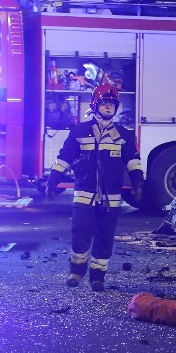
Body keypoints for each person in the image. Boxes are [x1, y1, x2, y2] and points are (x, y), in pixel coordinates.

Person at [46, 84, 145, 291]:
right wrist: (53, 180)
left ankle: (97, 276)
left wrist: (138, 182)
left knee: (105, 236)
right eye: (105, 103)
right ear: (95, 104)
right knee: (80, 231)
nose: (109, 107)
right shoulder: (80, 131)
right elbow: (65, 156)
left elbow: (133, 161)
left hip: (111, 197)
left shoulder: (124, 135)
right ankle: (77, 271)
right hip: (84, 194)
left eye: (112, 104)